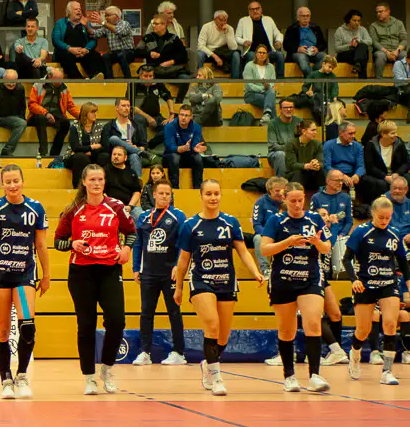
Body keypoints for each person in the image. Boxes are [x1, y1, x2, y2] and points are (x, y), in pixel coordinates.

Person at [174, 179, 266, 397]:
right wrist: (178, 287)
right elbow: (183, 260)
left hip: (227, 281)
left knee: (223, 336)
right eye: (208, 194)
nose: (213, 198)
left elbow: (242, 251)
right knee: (212, 326)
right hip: (201, 280)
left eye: (216, 193)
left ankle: (208, 364)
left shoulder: (231, 222)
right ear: (201, 196)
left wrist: (255, 271)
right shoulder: (190, 225)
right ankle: (216, 376)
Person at [54, 164, 135, 395]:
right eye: (92, 179)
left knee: (117, 321)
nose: (97, 183)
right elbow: (58, 241)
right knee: (86, 325)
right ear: (84, 182)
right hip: (81, 273)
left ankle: (107, 369)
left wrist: (126, 250)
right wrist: (72, 244)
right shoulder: (73, 210)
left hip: (109, 270)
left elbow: (132, 233)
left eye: (100, 179)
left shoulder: (116, 207)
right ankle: (89, 376)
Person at [0, 164, 49, 399]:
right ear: (2, 184)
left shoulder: (35, 208)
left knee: (28, 325)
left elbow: (41, 245)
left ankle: (23, 375)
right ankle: (6, 379)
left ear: (23, 181)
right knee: (3, 330)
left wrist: (46, 274)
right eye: (7, 182)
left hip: (24, 276)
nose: (12, 185)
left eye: (16, 180)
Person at [260, 182, 332, 392]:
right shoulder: (276, 220)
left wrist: (317, 243)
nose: (297, 204)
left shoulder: (315, 219)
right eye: (293, 201)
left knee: (313, 323)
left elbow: (326, 247)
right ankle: (289, 376)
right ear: (284, 199)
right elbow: (265, 249)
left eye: (301, 200)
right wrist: (288, 242)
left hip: (310, 278)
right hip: (283, 279)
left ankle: (315, 375)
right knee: (287, 330)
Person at [344, 197, 410, 385]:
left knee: (390, 324)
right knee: (363, 330)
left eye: (388, 218)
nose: (384, 221)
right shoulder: (361, 232)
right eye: (381, 217)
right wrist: (354, 280)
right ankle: (355, 353)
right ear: (373, 213)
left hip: (389, 284)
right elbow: (347, 259)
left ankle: (387, 371)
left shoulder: (395, 233)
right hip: (365, 284)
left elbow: (403, 262)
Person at [131, 180, 189, 367]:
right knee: (146, 312)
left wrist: (178, 268)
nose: (165, 196)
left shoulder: (178, 215)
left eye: (168, 194)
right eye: (161, 193)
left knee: (174, 311)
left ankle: (179, 352)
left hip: (169, 272)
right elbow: (138, 243)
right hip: (148, 272)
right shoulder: (144, 217)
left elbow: (183, 243)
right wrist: (136, 268)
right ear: (154, 194)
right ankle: (145, 352)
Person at [28, 66, 78, 161]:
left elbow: (70, 106)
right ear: (50, 77)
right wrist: (45, 113)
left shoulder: (64, 88)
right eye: (57, 79)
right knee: (41, 118)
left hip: (56, 114)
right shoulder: (38, 85)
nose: (60, 82)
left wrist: (82, 116)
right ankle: (43, 151)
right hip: (39, 114)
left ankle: (54, 154)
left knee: (66, 123)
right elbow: (32, 104)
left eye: (61, 79)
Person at [312, 169, 354, 278]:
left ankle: (343, 274)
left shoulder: (346, 198)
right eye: (337, 180)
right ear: (328, 181)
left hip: (340, 236)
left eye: (342, 180)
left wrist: (342, 234)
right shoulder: (316, 197)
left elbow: (349, 221)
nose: (340, 183)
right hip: (323, 236)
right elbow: (312, 220)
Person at [50, 1, 105, 80]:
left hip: (82, 52)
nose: (79, 11)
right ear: (69, 11)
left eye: (79, 9)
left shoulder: (86, 23)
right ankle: (79, 80)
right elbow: (56, 40)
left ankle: (95, 76)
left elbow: (93, 40)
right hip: (66, 52)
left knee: (95, 55)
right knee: (66, 57)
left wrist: (86, 49)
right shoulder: (60, 23)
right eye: (76, 9)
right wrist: (70, 49)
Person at [361, 120, 410, 202]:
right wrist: (384, 176)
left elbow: (407, 162)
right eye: (392, 133)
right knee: (380, 184)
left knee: (407, 178)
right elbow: (370, 166)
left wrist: (397, 173)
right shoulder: (371, 145)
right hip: (379, 175)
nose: (396, 135)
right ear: (383, 134)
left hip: (395, 173)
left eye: (396, 132)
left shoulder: (399, 143)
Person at [162, 104, 208, 189]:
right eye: (181, 115)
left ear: (191, 117)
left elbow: (195, 143)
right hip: (171, 155)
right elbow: (169, 146)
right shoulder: (169, 126)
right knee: (175, 157)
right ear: (178, 115)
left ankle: (198, 188)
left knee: (198, 158)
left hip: (188, 154)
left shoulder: (197, 127)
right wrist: (180, 149)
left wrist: (194, 148)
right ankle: (174, 188)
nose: (183, 118)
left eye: (186, 115)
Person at [250, 176, 288, 279]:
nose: (280, 193)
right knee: (258, 239)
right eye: (277, 190)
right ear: (269, 190)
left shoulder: (288, 203)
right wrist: (268, 235)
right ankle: (265, 270)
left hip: (284, 234)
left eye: (283, 190)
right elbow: (256, 224)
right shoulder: (261, 202)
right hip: (265, 233)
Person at [138, 13, 189, 86]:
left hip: (171, 70)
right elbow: (136, 52)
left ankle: (179, 98)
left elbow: (183, 55)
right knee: (139, 79)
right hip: (153, 71)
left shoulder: (174, 38)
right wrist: (149, 54)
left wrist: (171, 62)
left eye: (156, 24)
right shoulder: (147, 37)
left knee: (185, 78)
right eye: (153, 24)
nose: (153, 26)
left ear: (164, 25)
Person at [129, 64, 173, 147]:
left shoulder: (158, 84)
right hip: (140, 116)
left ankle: (151, 144)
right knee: (139, 119)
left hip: (157, 116)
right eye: (145, 76)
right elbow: (132, 106)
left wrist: (171, 114)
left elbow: (168, 97)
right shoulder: (133, 84)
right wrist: (148, 117)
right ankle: (143, 146)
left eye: (150, 76)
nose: (148, 79)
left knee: (172, 126)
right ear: (140, 76)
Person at [0, 71, 28, 157]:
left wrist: (22, 117)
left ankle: (7, 151)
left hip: (9, 117)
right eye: (9, 81)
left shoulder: (20, 88)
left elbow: (22, 105)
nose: (12, 84)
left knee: (22, 123)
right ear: (3, 79)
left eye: (14, 82)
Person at [64, 102, 106, 187]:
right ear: (85, 114)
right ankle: (79, 188)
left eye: (96, 112)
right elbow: (75, 148)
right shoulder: (75, 127)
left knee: (105, 156)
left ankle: (103, 187)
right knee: (80, 157)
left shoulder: (100, 126)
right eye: (92, 112)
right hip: (74, 157)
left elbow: (105, 146)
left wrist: (90, 152)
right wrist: (92, 147)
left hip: (93, 155)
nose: (95, 114)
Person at [236, 1, 284, 73]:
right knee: (251, 55)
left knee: (279, 55)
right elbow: (237, 37)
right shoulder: (243, 21)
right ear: (249, 11)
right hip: (251, 52)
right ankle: (251, 80)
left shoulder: (269, 19)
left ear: (261, 9)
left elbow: (278, 34)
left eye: (257, 8)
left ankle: (280, 81)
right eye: (252, 9)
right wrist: (244, 42)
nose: (255, 11)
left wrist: (279, 41)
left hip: (268, 52)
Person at [323, 122, 365, 200]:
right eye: (350, 133)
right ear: (341, 133)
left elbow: (361, 166)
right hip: (335, 173)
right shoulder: (328, 145)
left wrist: (357, 175)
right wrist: (341, 176)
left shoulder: (357, 146)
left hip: (352, 174)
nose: (353, 136)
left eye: (354, 133)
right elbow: (327, 165)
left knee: (367, 180)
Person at [104, 97, 145, 178]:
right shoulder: (109, 126)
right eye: (123, 106)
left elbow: (144, 145)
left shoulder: (136, 126)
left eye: (128, 106)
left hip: (130, 154)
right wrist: (122, 147)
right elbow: (105, 145)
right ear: (116, 107)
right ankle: (139, 152)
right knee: (114, 139)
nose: (126, 108)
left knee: (135, 156)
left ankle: (137, 183)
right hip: (116, 154)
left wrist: (137, 147)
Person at [94, 5, 136, 78]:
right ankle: (110, 81)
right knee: (105, 56)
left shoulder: (125, 24)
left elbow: (118, 31)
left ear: (116, 16)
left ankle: (129, 81)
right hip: (115, 53)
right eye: (105, 16)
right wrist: (86, 25)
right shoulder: (106, 27)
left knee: (121, 54)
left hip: (128, 52)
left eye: (108, 15)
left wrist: (103, 23)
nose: (106, 18)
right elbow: (95, 34)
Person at [332, 9, 375, 80]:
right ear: (348, 20)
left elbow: (370, 41)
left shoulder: (362, 29)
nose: (357, 23)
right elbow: (337, 48)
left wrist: (359, 41)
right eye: (354, 20)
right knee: (362, 56)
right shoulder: (340, 30)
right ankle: (363, 81)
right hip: (346, 54)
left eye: (359, 21)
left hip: (359, 55)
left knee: (362, 46)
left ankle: (358, 64)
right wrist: (350, 45)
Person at [197, 10, 241, 79]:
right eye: (221, 20)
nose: (223, 22)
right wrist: (215, 56)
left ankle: (235, 81)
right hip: (210, 53)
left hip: (223, 52)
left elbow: (233, 48)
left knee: (236, 54)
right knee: (200, 54)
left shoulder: (229, 28)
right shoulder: (206, 27)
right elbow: (200, 46)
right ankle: (200, 78)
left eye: (225, 20)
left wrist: (227, 33)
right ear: (215, 20)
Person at [241, 45, 279, 122]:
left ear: (267, 55)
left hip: (267, 93)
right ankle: (275, 124)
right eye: (260, 52)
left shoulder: (271, 66)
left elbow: (272, 82)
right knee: (271, 100)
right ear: (256, 54)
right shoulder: (249, 65)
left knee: (271, 93)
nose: (261, 54)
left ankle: (266, 115)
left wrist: (268, 86)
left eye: (264, 53)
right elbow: (249, 85)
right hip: (251, 94)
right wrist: (263, 88)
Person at [370, 1, 407, 79]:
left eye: (380, 11)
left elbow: (404, 39)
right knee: (380, 56)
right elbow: (374, 42)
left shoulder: (398, 23)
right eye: (377, 12)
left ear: (388, 11)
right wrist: (387, 52)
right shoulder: (373, 25)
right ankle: (379, 80)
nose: (378, 14)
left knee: (405, 55)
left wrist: (397, 51)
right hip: (382, 51)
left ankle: (405, 80)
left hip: (397, 50)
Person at [286, 118, 325, 189]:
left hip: (311, 173)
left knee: (322, 171)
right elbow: (292, 165)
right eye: (313, 130)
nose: (315, 132)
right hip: (295, 174)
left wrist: (317, 164)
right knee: (298, 173)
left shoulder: (317, 144)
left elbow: (321, 161)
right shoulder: (291, 144)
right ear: (304, 131)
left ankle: (323, 195)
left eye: (316, 130)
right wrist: (307, 166)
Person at [288, 6, 327, 76]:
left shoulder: (316, 28)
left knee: (324, 56)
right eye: (303, 16)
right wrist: (298, 49)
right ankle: (313, 78)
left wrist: (317, 49)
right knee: (302, 59)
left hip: (313, 53)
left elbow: (323, 44)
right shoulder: (292, 29)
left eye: (307, 16)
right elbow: (286, 45)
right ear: (298, 18)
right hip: (299, 53)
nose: (305, 18)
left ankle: (313, 74)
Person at [389, 175, 410, 248]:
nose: (397, 191)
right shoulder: (384, 203)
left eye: (400, 189)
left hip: (409, 238)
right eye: (394, 188)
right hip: (390, 239)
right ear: (390, 189)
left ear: (406, 189)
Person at [267, 99, 298, 179]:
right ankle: (282, 184)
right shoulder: (273, 123)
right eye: (285, 107)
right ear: (280, 109)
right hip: (276, 154)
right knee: (281, 154)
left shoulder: (299, 122)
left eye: (291, 107)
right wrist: (291, 148)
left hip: (295, 154)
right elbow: (273, 146)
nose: (289, 109)